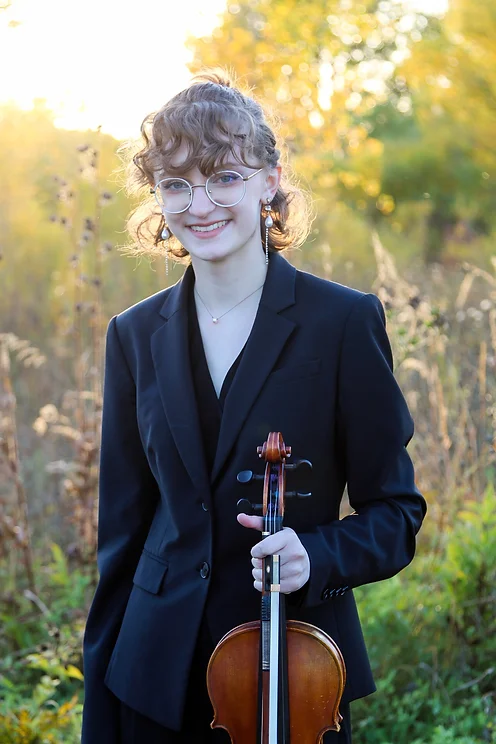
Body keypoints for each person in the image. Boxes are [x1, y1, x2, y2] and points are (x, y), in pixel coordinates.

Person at [81, 70, 426, 744]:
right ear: (156, 196)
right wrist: (103, 698)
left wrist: (316, 555)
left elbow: (397, 514)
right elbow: (120, 540)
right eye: (176, 184)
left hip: (292, 677)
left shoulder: (343, 322)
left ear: (269, 179)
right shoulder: (132, 333)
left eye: (223, 178)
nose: (199, 203)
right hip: (152, 677)